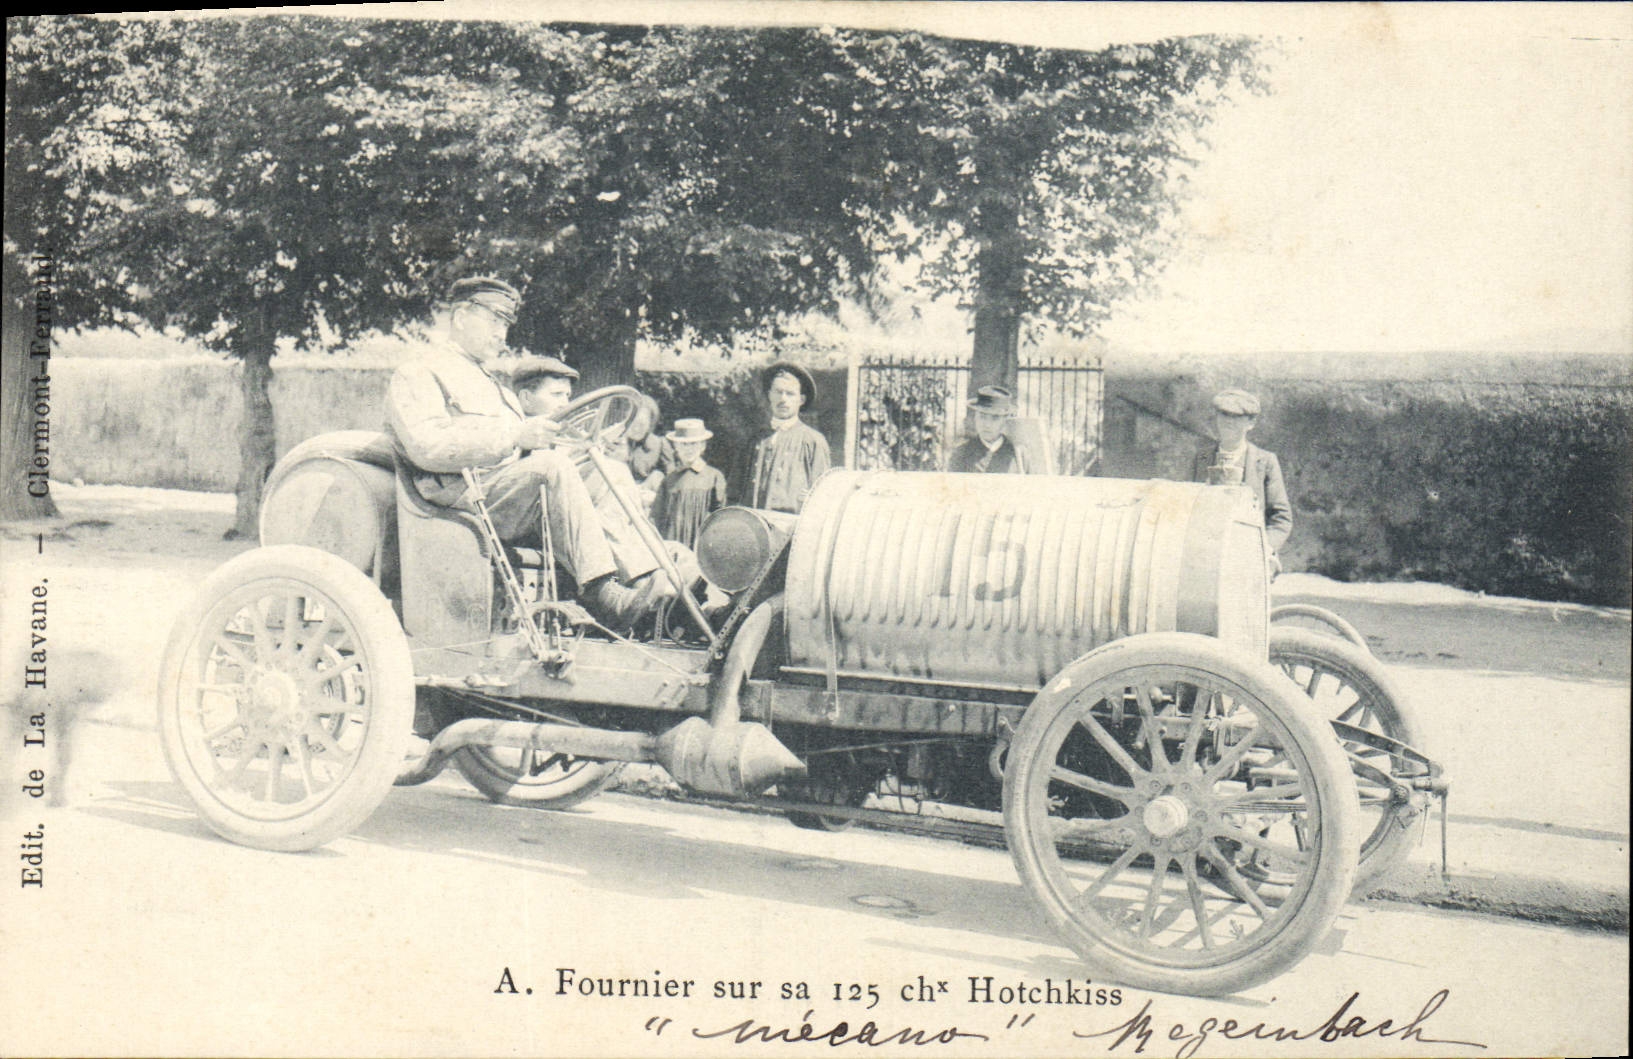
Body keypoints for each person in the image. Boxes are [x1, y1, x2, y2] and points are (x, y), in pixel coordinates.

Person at [385, 277, 673, 628]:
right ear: (461, 317)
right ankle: (600, 592)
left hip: (503, 490)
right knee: (550, 468)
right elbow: (427, 445)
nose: (501, 335)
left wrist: (582, 446)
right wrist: (517, 435)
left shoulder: (492, 384)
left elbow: (524, 449)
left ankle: (642, 581)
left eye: (505, 325)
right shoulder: (419, 373)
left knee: (607, 471)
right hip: (459, 496)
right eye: (494, 321)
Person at [1193, 388, 1293, 570]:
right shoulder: (1201, 458)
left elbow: (1281, 518)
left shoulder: (1265, 462)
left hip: (1250, 557)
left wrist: (1265, 550)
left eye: (1237, 416)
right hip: (1206, 557)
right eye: (1224, 414)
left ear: (1251, 423)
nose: (1228, 422)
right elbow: (1189, 507)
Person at [747, 361, 830, 513]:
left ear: (801, 400)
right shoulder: (755, 440)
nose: (783, 399)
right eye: (778, 392)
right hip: (754, 526)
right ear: (769, 395)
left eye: (790, 393)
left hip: (791, 527)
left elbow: (821, 497)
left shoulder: (812, 441)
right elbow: (734, 491)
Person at [653, 419, 728, 548]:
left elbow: (721, 515)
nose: (689, 449)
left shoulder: (714, 476)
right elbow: (657, 517)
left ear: (702, 446)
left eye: (693, 444)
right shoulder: (669, 480)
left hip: (702, 543)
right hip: (673, 544)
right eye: (683, 444)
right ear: (676, 447)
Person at [948, 385, 1028, 474]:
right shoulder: (961, 454)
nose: (987, 424)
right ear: (975, 417)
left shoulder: (1018, 454)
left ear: (1005, 420)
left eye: (995, 418)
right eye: (982, 416)